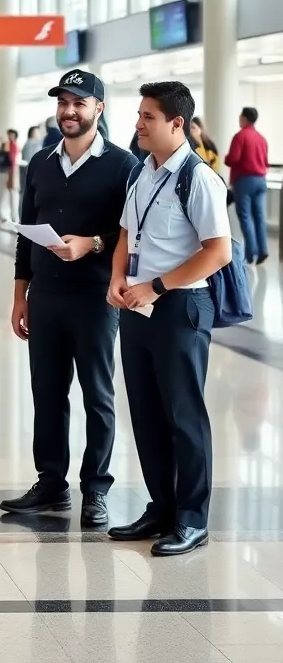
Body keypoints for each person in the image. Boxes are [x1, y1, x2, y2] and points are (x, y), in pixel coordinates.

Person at [3, 71, 133, 527]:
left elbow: (130, 233)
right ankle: (51, 482)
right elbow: (25, 235)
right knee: (47, 392)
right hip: (46, 296)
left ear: (99, 108)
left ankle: (95, 488)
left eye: (79, 103)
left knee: (97, 395)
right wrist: (20, 296)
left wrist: (92, 244)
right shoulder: (40, 162)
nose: (69, 111)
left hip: (95, 298)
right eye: (63, 102)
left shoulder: (123, 165)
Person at [107, 81, 232, 556]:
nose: (138, 124)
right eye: (139, 115)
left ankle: (193, 519)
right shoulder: (143, 172)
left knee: (184, 414)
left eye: (148, 117)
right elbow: (126, 233)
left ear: (176, 123)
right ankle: (162, 506)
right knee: (146, 412)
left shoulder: (198, 178)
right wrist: (117, 278)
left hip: (180, 307)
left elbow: (217, 252)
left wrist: (156, 286)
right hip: (136, 306)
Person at [225, 106, 269, 265]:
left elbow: (233, 158)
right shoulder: (261, 138)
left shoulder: (240, 136)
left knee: (245, 216)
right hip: (261, 180)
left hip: (244, 181)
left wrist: (226, 158)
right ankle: (263, 250)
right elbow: (265, 161)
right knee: (259, 216)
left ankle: (250, 253)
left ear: (244, 118)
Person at [0, 128, 20, 224]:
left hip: (12, 172)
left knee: (12, 194)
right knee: (3, 194)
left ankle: (14, 216)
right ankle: (3, 214)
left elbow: (13, 160)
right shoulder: (5, 145)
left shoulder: (14, 145)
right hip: (5, 172)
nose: (10, 137)